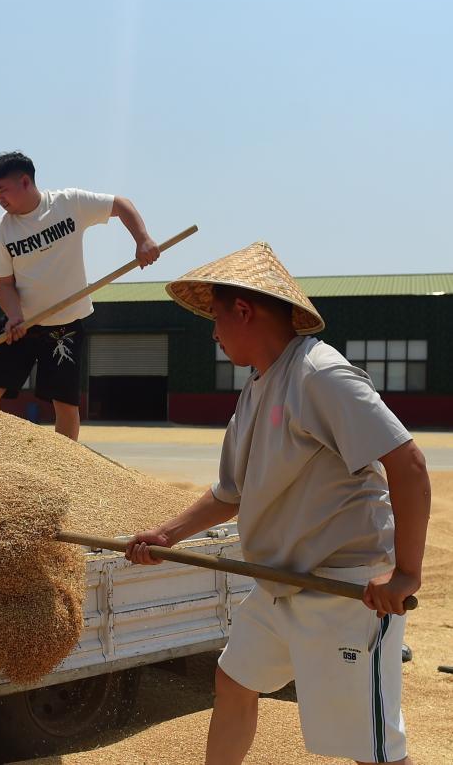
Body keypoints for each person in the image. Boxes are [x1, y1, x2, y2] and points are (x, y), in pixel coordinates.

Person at [125, 242, 431, 765]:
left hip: (343, 590)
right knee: (233, 681)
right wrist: (167, 535)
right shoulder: (255, 390)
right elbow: (230, 494)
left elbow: (409, 464)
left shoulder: (320, 374)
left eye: (216, 317)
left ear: (244, 310)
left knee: (369, 748)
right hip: (279, 583)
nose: (214, 333)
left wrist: (405, 573)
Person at [0, 151, 159, 439]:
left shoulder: (68, 203)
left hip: (65, 328)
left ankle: (64, 465)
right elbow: (4, 284)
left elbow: (120, 204)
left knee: (65, 405)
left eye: (2, 190)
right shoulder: (1, 232)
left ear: (25, 182)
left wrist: (143, 239)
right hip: (21, 325)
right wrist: (14, 315)